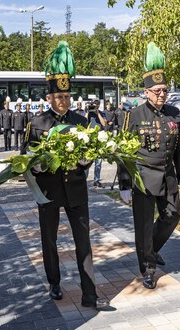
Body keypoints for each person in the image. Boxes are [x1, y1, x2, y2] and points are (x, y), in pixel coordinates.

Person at [23, 41, 109, 310]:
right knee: (49, 239)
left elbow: (90, 152)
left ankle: (89, 293)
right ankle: (54, 282)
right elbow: (27, 159)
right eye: (59, 97)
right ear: (48, 98)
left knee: (83, 240)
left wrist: (81, 162)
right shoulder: (37, 124)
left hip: (75, 189)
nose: (63, 101)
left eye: (67, 96)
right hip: (49, 191)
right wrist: (45, 164)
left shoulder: (81, 122)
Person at [118, 42, 180, 289]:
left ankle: (152, 248)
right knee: (144, 225)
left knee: (172, 216)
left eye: (165, 90)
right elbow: (123, 151)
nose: (161, 95)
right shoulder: (134, 115)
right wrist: (125, 183)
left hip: (168, 175)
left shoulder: (173, 113)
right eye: (157, 90)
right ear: (146, 92)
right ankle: (148, 268)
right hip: (143, 177)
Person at [86, 99, 108, 188]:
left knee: (98, 162)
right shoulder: (89, 113)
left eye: (96, 105)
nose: (94, 107)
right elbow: (83, 121)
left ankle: (97, 180)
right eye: (94, 105)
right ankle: (84, 179)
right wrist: (88, 111)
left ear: (99, 106)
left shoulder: (102, 113)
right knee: (86, 160)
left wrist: (97, 113)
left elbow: (104, 124)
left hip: (99, 139)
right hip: (89, 139)